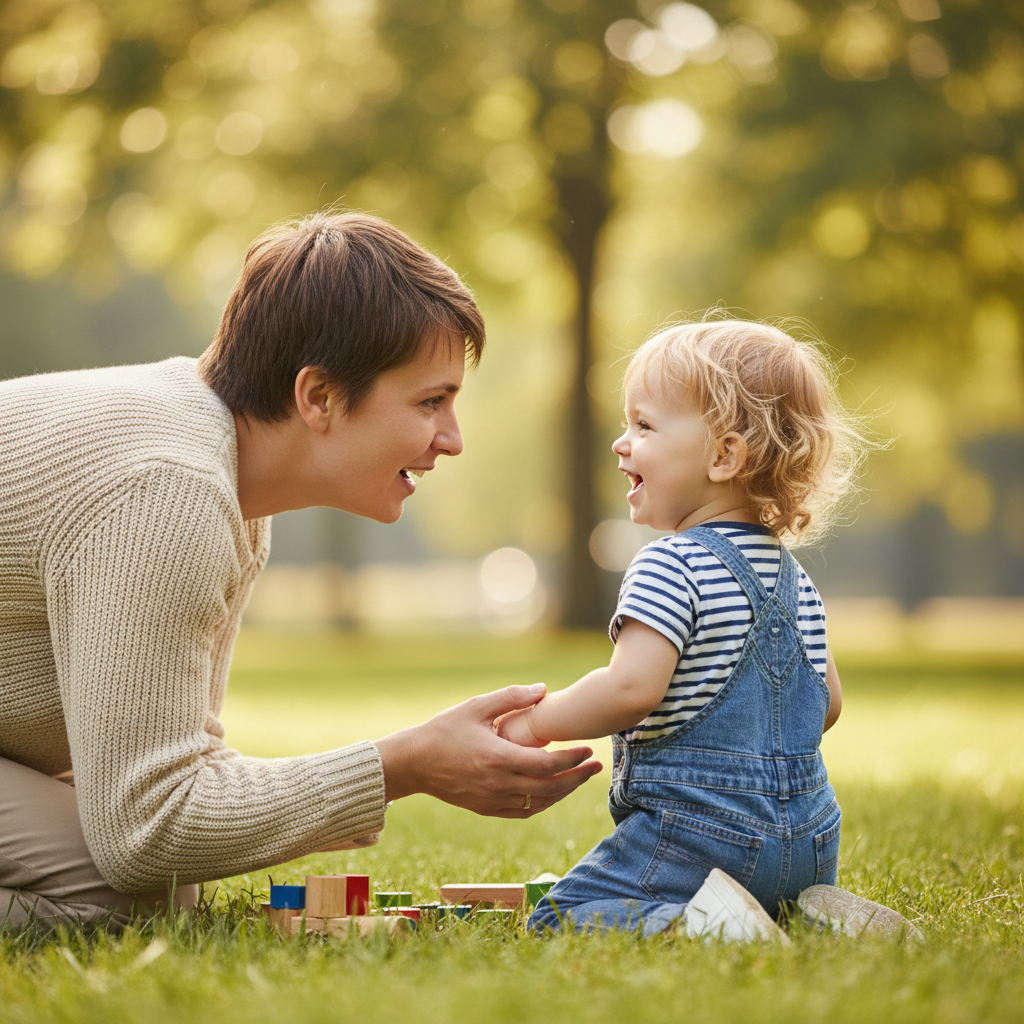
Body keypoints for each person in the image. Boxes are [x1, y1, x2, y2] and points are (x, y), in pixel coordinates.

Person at [0, 211, 601, 931]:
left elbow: (177, 774)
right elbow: (148, 831)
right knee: (125, 900)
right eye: (429, 401)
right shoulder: (168, 490)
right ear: (317, 397)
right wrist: (403, 764)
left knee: (161, 891)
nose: (453, 439)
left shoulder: (223, 477)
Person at [497, 319, 921, 941]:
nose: (621, 443)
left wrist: (533, 723)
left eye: (643, 425)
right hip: (809, 841)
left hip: (700, 839)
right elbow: (825, 705)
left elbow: (629, 690)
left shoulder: (670, 562)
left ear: (723, 456)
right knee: (778, 893)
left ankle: (708, 927)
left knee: (562, 917)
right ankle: (813, 913)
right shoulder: (792, 576)